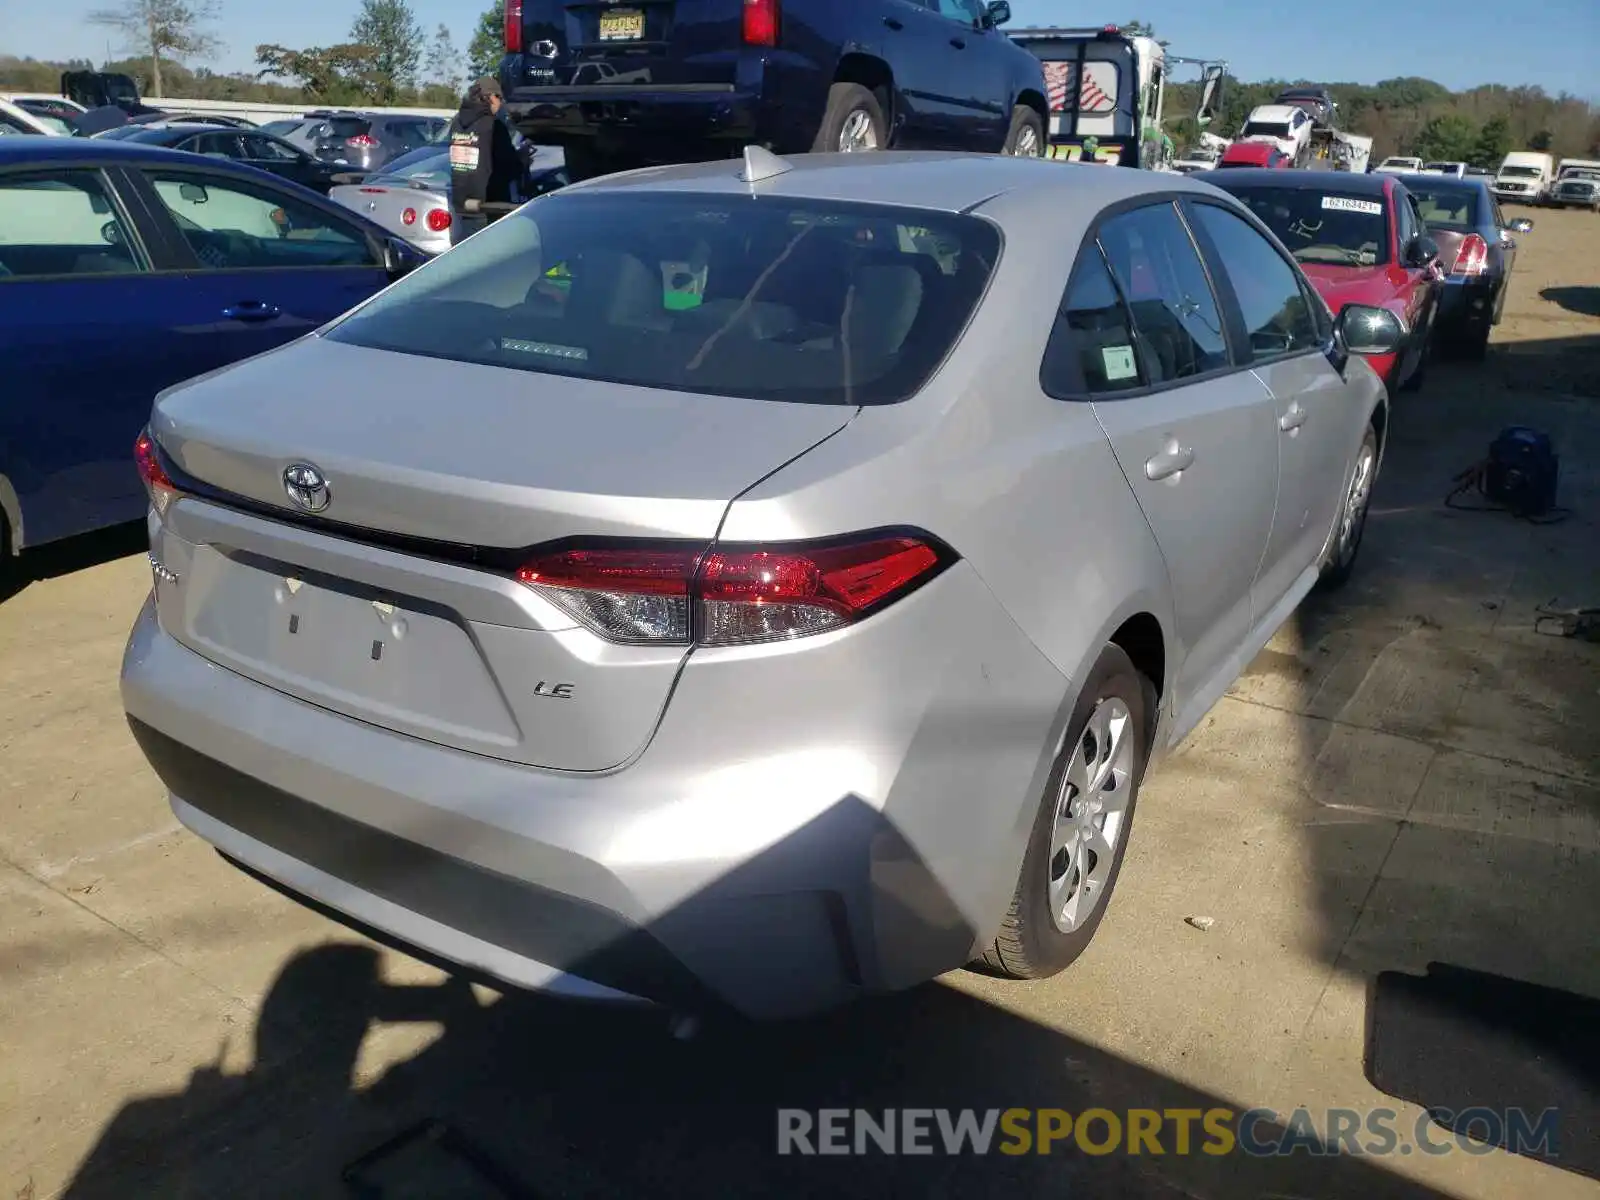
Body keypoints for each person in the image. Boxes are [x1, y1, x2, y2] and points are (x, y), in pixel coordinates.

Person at [447, 76, 521, 246]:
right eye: (499, 97)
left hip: (462, 205)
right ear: (489, 97)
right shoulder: (493, 125)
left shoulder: (457, 122)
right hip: (488, 207)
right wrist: (522, 160)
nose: (500, 103)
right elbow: (510, 167)